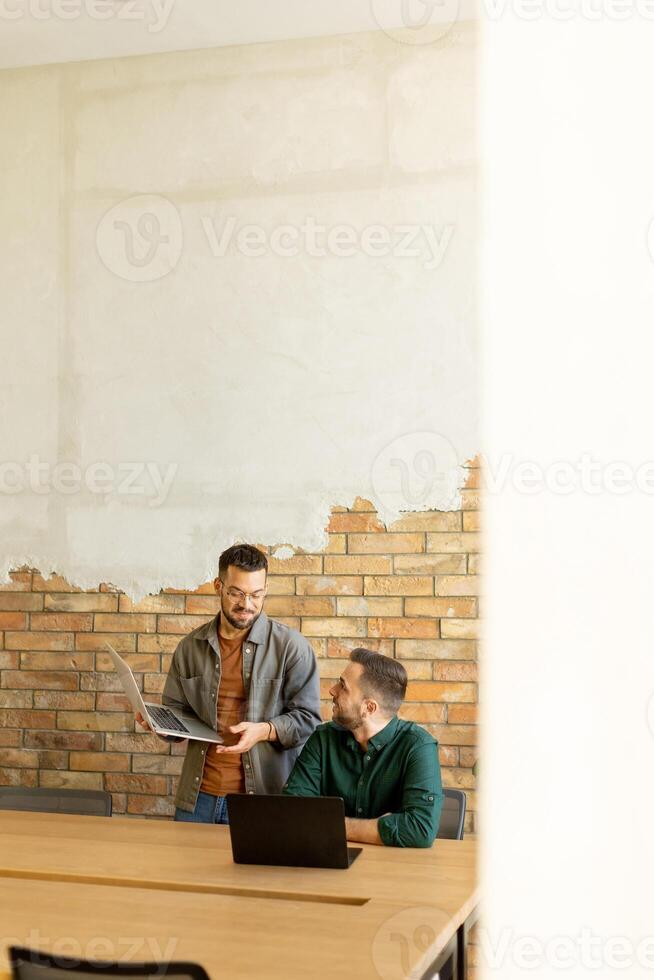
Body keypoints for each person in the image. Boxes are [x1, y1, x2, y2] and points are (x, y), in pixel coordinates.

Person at [136, 543, 321, 823]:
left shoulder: (291, 647)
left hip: (262, 800)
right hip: (197, 799)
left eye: (256, 595)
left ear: (265, 591)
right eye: (237, 593)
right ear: (218, 586)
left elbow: (309, 721)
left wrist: (264, 730)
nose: (247, 604)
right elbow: (179, 719)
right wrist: (160, 724)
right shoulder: (190, 648)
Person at [283, 647, 443, 847]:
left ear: (369, 708)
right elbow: (292, 812)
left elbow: (419, 829)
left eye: (343, 686)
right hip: (328, 867)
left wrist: (332, 825)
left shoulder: (418, 747)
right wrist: (379, 826)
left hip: (394, 871)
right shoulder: (323, 739)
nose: (332, 690)